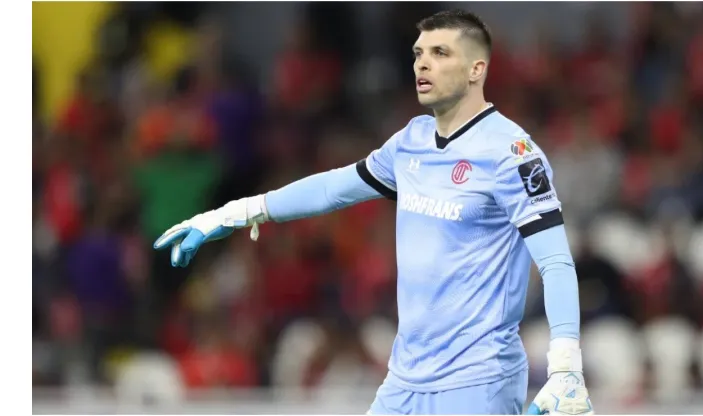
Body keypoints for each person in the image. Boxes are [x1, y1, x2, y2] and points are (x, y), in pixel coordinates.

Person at [154, 9, 593, 415]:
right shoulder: (411, 142)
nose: (423, 64)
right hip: (404, 380)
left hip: (477, 381)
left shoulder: (511, 154)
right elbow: (332, 188)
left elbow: (554, 260)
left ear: (477, 68)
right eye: (419, 53)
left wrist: (566, 367)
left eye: (440, 53)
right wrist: (236, 212)